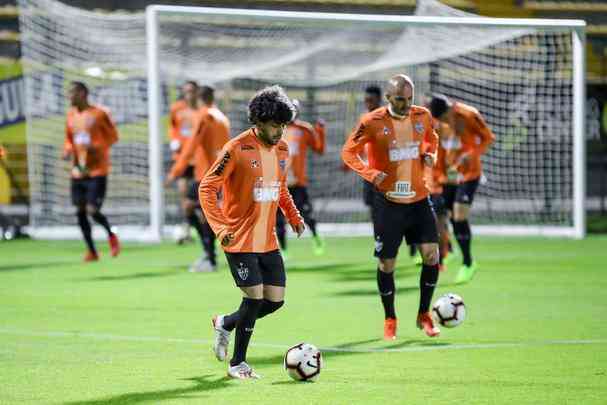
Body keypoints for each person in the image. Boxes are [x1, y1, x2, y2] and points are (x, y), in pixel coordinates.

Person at [200, 85, 304, 379]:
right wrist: (221, 228)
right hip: (239, 239)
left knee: (275, 300)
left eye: (284, 125)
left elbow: (280, 186)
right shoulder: (236, 149)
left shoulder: (283, 149)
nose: (280, 132)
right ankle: (238, 364)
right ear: (258, 122)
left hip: (267, 240)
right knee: (255, 298)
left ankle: (226, 323)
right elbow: (207, 187)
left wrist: (294, 216)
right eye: (275, 125)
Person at [342, 74, 441, 340]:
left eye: (410, 99)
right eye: (400, 99)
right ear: (388, 98)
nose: (406, 104)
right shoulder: (371, 122)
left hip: (419, 200)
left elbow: (432, 139)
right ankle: (390, 318)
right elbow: (348, 153)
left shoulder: (422, 116)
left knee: (432, 255)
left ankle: (424, 314)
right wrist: (370, 173)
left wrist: (431, 154)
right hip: (388, 204)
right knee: (387, 264)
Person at [428, 94, 495, 284]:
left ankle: (468, 262)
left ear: (450, 109)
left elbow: (488, 138)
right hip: (449, 176)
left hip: (469, 174)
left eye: (445, 117)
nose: (445, 122)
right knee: (450, 218)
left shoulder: (469, 114)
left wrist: (472, 155)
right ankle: (457, 254)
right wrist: (438, 177)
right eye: (441, 120)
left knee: (459, 215)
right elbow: (438, 150)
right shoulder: (438, 124)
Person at [167, 85, 230, 272]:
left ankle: (210, 258)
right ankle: (209, 255)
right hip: (217, 172)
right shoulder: (221, 117)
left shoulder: (204, 115)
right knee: (196, 210)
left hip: (206, 173)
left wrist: (175, 171)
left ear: (200, 98)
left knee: (195, 210)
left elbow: (192, 144)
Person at [62, 81, 120, 262]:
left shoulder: (99, 114)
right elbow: (69, 140)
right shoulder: (70, 115)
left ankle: (111, 235)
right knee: (80, 211)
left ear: (83, 93)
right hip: (78, 171)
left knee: (92, 210)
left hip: (97, 170)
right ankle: (92, 251)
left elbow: (113, 137)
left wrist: (94, 146)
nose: (69, 96)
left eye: (72, 93)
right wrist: (67, 150)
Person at [275, 99, 325, 257]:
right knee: (278, 220)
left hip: (298, 182)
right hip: (280, 183)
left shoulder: (305, 129)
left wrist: (320, 131)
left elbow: (319, 149)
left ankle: (317, 238)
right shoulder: (275, 129)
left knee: (305, 215)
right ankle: (282, 251)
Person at [168, 81, 199, 245]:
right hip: (183, 157)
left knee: (201, 195)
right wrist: (174, 141)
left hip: (200, 158)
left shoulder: (203, 110)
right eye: (186, 91)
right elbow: (172, 127)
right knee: (183, 192)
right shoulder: (177, 109)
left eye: (192, 91)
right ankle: (187, 226)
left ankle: (200, 226)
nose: (189, 94)